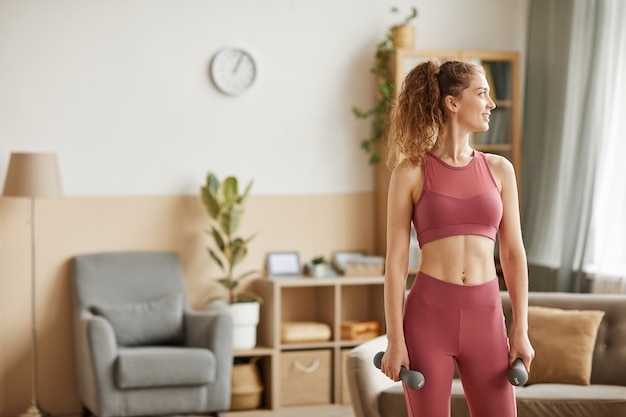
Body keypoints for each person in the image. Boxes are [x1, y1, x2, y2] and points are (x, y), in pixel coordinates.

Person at [379, 60, 535, 417]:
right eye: (482, 94)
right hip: (428, 318)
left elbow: (513, 254)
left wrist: (521, 329)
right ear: (452, 103)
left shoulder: (500, 170)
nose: (491, 104)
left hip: (486, 316)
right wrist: (394, 339)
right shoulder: (410, 171)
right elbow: (396, 261)